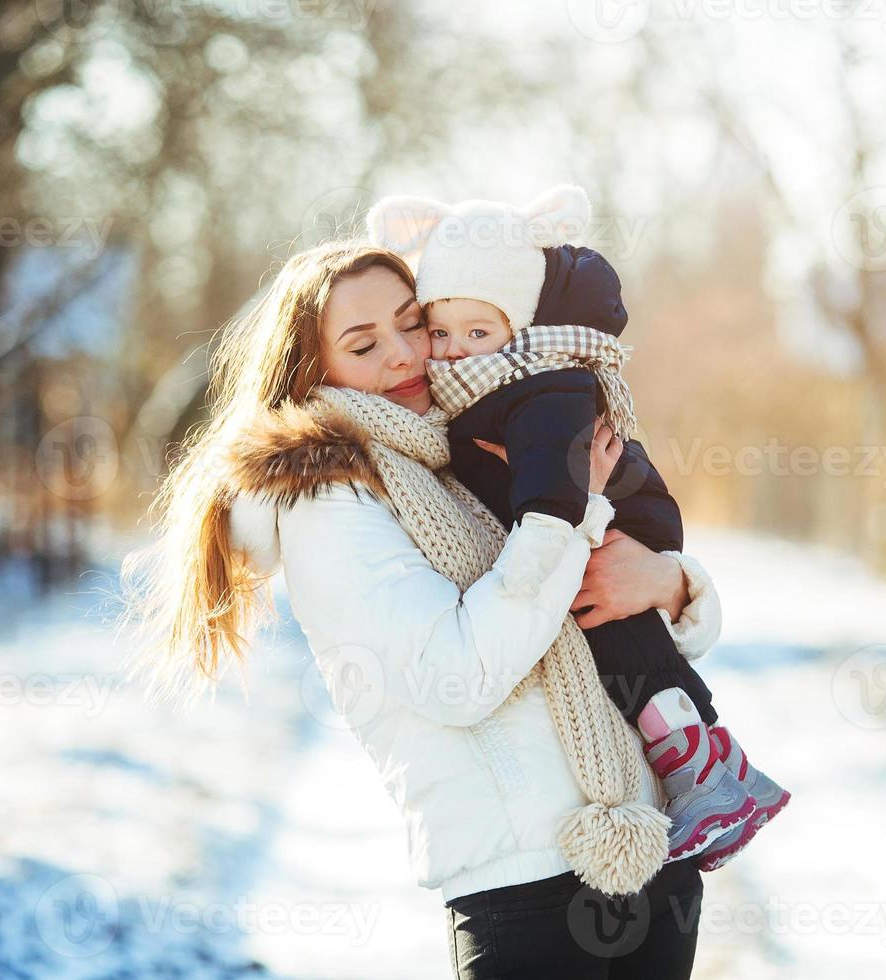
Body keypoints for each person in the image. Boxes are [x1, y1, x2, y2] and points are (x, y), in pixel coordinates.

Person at [122, 240, 723, 977]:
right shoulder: (331, 502)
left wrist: (670, 583)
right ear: (314, 368)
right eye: (363, 343)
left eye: (413, 324)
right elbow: (458, 677)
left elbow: (627, 625)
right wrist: (573, 515)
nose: (405, 355)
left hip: (650, 849)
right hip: (528, 886)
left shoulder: (472, 447)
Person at [364, 185, 790, 870]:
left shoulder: (530, 383)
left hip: (618, 532)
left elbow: (566, 495)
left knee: (619, 634)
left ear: (515, 327)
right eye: (439, 333)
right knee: (610, 623)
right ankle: (714, 769)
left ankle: (704, 770)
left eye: (475, 334)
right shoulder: (415, 437)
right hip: (524, 842)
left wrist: (665, 579)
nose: (442, 354)